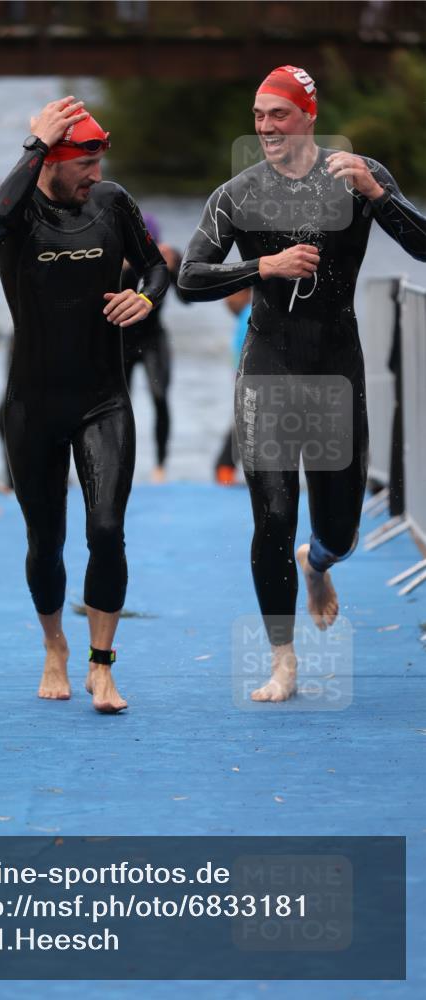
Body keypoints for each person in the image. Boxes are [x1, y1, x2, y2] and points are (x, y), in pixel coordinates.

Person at [179, 64, 426, 702]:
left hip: (336, 367)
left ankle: (317, 566)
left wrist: (378, 194)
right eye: (259, 117)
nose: (266, 127)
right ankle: (283, 661)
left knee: (339, 529)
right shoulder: (237, 193)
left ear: (308, 115)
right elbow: (190, 278)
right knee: (273, 516)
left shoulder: (359, 174)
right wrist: (263, 265)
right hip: (269, 363)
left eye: (278, 115)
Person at [0, 97, 168, 713]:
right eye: (84, 163)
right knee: (46, 539)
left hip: (103, 399)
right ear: (52, 161)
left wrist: (145, 299)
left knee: (108, 530)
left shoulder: (113, 203)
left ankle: (102, 665)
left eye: (99, 162)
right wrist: (34, 143)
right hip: (33, 404)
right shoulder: (17, 218)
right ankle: (55, 647)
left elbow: (157, 270)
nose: (95, 174)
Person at [120, 213, 186, 483]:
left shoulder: (160, 259)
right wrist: (122, 268)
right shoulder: (116, 255)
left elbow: (187, 298)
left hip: (152, 340)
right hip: (122, 340)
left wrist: (175, 266)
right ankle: (121, 461)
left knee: (160, 397)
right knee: (120, 404)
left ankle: (160, 465)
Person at [214, 287, 251, 485]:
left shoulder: (251, 315)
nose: (227, 300)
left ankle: (224, 476)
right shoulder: (246, 316)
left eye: (231, 294)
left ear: (247, 293)